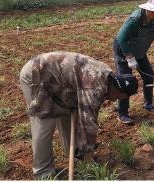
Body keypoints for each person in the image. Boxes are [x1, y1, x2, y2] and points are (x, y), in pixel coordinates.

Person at [19, 51, 138, 179]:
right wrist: (89, 155)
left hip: (56, 81)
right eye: (119, 97)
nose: (115, 100)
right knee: (45, 124)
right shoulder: (94, 88)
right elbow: (88, 122)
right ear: (117, 88)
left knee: (67, 112)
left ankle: (74, 152)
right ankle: (43, 172)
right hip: (36, 75)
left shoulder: (106, 76)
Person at [113, 0, 154, 124]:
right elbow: (121, 38)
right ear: (149, 9)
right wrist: (129, 58)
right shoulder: (135, 19)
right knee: (126, 81)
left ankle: (148, 104)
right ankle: (122, 113)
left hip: (140, 51)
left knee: (148, 77)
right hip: (123, 51)